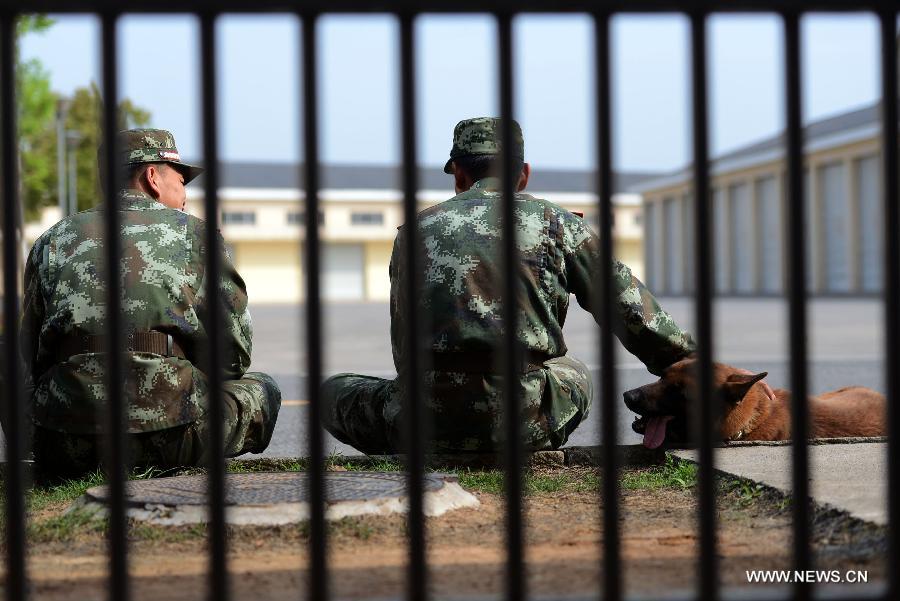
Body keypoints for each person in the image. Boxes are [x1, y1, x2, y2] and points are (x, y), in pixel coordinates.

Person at [320, 117, 748, 454]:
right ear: (523, 174)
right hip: (522, 424)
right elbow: (635, 315)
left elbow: (404, 344)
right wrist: (700, 374)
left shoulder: (412, 231)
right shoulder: (559, 224)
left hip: (422, 423)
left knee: (333, 391)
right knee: (576, 372)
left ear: (458, 176)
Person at [17, 128, 281, 476]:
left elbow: (31, 354)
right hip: (176, 437)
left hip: (65, 442)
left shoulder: (51, 240)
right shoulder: (197, 236)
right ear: (152, 176)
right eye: (181, 180)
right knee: (263, 388)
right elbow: (233, 355)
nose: (185, 194)